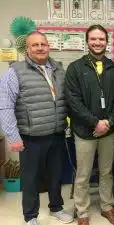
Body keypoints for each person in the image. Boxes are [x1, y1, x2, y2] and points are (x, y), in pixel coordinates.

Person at [0, 31, 73, 225]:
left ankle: (56, 207)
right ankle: (30, 216)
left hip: (57, 133)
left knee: (55, 175)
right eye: (35, 45)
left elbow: (66, 99)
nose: (40, 48)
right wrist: (13, 136)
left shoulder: (58, 69)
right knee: (30, 178)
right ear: (27, 49)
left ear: (49, 46)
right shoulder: (15, 71)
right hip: (30, 136)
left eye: (43, 44)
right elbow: (5, 105)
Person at [65, 24, 114, 225]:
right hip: (84, 131)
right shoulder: (75, 68)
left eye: (101, 39)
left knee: (107, 172)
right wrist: (94, 123)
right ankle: (82, 212)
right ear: (87, 41)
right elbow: (73, 101)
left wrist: (108, 122)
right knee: (83, 174)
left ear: (107, 42)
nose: (97, 43)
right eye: (93, 39)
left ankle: (107, 206)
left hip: (108, 132)